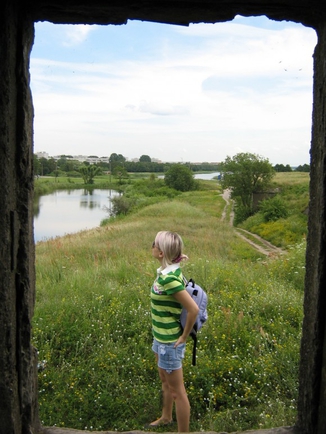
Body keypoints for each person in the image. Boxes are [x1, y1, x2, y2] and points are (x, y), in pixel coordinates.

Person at [148, 231, 199, 432]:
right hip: (160, 339)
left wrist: (184, 336)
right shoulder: (166, 271)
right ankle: (166, 417)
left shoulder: (169, 278)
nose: (151, 246)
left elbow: (193, 309)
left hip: (169, 343)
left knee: (178, 392)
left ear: (161, 252)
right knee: (164, 382)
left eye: (154, 243)